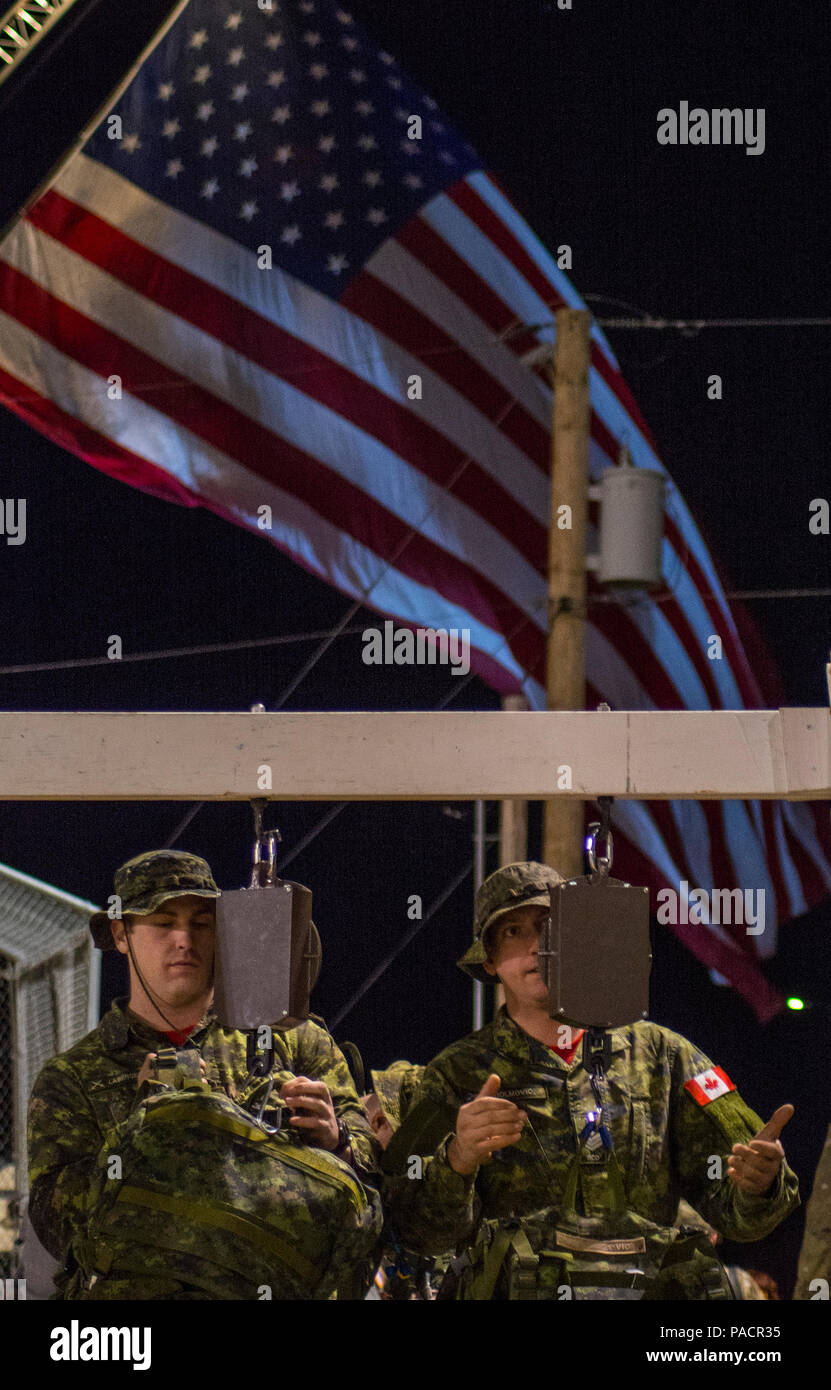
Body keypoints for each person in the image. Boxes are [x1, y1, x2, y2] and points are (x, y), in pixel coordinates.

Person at [383, 862, 800, 1300]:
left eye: (549, 926)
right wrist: (458, 1159)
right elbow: (414, 1233)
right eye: (512, 932)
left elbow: (738, 1216)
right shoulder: (454, 1073)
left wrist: (759, 1184)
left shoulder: (665, 1057)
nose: (536, 946)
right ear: (489, 960)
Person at [27, 850, 379, 1294]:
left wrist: (337, 1141)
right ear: (121, 934)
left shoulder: (293, 1042)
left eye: (201, 922)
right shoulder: (73, 1078)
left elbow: (373, 1185)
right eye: (162, 922)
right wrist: (146, 1127)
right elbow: (60, 1228)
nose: (184, 940)